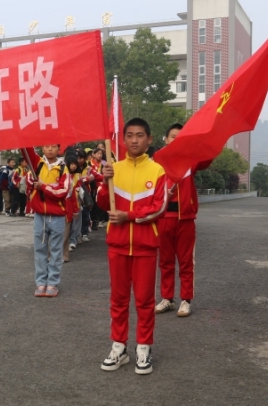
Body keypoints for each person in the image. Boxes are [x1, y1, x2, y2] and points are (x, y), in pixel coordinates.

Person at [97, 118, 167, 375]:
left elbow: (158, 208)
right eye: (129, 135)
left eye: (140, 135)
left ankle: (144, 348)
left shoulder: (158, 171)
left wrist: (130, 215)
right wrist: (105, 182)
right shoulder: (114, 169)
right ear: (123, 139)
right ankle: (119, 347)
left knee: (145, 301)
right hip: (117, 245)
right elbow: (104, 203)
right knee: (118, 298)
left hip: (145, 246)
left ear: (149, 139)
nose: (134, 140)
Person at [155, 124, 212, 318]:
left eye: (180, 137)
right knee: (165, 261)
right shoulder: (157, 161)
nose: (175, 140)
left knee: (186, 262)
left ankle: (186, 299)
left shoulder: (190, 160)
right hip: (164, 218)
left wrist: (210, 139)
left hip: (185, 218)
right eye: (172, 136)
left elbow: (206, 159)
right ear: (165, 139)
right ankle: (167, 298)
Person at [21, 145, 71, 298]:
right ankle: (41, 282)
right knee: (39, 250)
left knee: (56, 252)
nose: (50, 149)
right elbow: (26, 150)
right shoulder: (37, 163)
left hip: (57, 217)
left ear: (59, 149)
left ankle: (53, 283)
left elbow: (63, 192)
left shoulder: (64, 169)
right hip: (39, 216)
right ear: (42, 148)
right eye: (46, 146)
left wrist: (43, 187)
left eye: (53, 146)